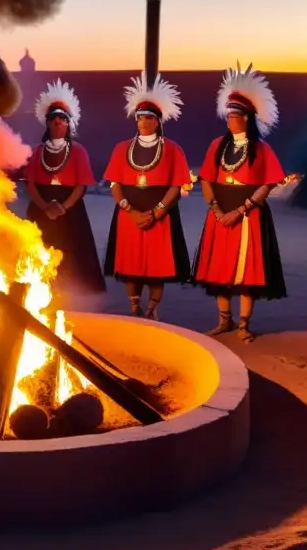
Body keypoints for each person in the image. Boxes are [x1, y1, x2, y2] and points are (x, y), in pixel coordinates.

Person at [193, 64, 287, 342]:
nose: (230, 119)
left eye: (236, 115)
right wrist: (217, 209)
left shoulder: (261, 149)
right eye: (229, 114)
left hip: (249, 213)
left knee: (247, 269)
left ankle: (245, 324)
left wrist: (241, 209)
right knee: (219, 267)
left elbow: (267, 183)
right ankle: (224, 321)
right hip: (219, 210)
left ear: (248, 118)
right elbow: (207, 179)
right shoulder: (216, 146)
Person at [103, 71, 191, 320]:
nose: (142, 121)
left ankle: (152, 308)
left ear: (157, 121)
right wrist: (129, 210)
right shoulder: (122, 148)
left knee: (156, 268)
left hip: (160, 213)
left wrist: (158, 211)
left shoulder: (172, 149)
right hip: (128, 213)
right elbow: (114, 183)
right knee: (131, 266)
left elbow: (176, 185)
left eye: (148, 117)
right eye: (139, 116)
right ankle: (133, 307)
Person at [23, 80, 106, 296]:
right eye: (53, 119)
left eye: (62, 119)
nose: (58, 123)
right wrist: (45, 207)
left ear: (69, 124)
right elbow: (30, 183)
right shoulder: (37, 151)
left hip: (71, 210)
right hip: (42, 207)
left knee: (71, 252)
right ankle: (39, 290)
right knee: (39, 248)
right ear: (47, 123)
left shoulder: (78, 152)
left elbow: (81, 186)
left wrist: (63, 207)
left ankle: (73, 294)